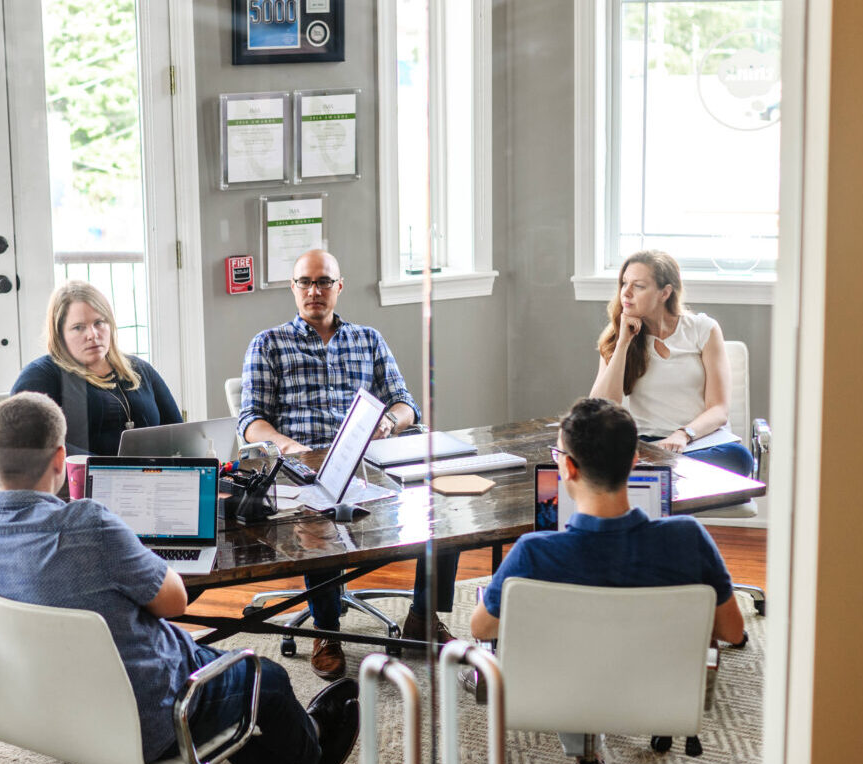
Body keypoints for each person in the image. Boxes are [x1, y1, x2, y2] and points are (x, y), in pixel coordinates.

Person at [0, 393, 361, 764]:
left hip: (37, 711)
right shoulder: (90, 524)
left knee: (207, 660)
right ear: (61, 457)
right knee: (267, 677)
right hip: (145, 721)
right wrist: (135, 553)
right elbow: (173, 602)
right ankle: (314, 752)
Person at [237, 248, 459, 681]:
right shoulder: (268, 344)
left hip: (369, 462)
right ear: (293, 288)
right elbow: (250, 423)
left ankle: (422, 615)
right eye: (305, 282)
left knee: (443, 509)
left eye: (323, 282)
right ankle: (326, 630)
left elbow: (406, 404)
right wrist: (287, 445)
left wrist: (390, 422)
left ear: (339, 287)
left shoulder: (369, 340)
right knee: (318, 511)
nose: (314, 291)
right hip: (306, 467)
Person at [471, 396, 747, 649]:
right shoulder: (688, 538)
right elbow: (733, 632)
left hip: (561, 699)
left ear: (568, 468)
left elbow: (482, 628)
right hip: (658, 699)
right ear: (635, 462)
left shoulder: (532, 553)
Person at [589, 249, 755, 476]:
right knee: (604, 457)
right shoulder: (617, 336)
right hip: (648, 444)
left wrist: (683, 435)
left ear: (665, 293)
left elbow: (718, 409)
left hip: (699, 441)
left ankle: (658, 476)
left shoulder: (703, 329)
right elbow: (601, 408)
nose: (625, 293)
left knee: (739, 459)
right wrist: (623, 343)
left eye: (638, 286)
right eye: (624, 283)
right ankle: (666, 475)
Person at [12, 280, 182, 457]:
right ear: (60, 334)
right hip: (80, 482)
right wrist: (109, 470)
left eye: (99, 323)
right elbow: (30, 442)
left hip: (152, 480)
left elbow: (180, 435)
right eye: (78, 327)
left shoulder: (139, 370)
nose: (92, 335)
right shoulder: (40, 376)